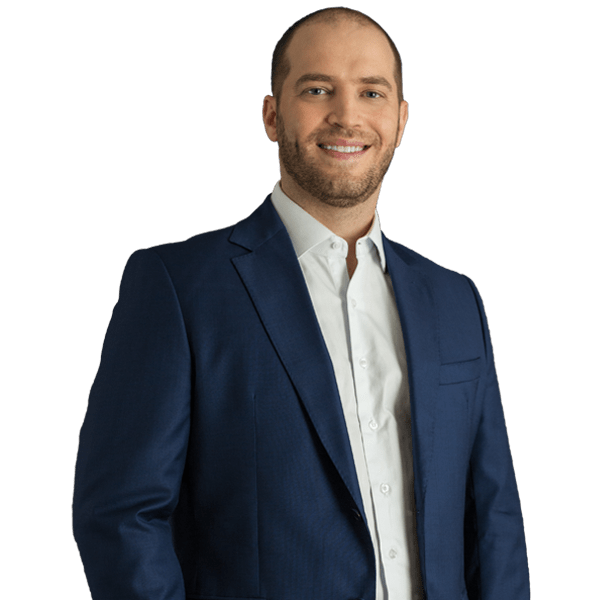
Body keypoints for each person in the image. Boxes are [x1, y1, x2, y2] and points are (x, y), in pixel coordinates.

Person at [72, 7, 530, 600]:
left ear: (400, 121)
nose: (347, 116)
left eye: (371, 92)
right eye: (317, 89)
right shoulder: (178, 287)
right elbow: (121, 515)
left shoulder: (456, 299)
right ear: (272, 114)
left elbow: (494, 521)